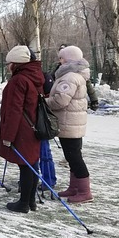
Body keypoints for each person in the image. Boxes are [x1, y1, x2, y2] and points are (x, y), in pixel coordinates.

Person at [0, 45, 44, 213]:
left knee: (26, 166)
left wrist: (8, 136)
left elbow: (14, 109)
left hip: (22, 129)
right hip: (33, 127)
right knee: (31, 164)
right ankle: (30, 201)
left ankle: (24, 203)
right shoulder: (34, 76)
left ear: (16, 63)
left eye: (9, 63)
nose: (8, 66)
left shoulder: (19, 80)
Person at [46, 45, 94, 203]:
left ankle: (84, 191)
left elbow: (61, 100)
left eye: (61, 58)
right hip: (72, 122)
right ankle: (74, 187)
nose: (59, 61)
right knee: (71, 155)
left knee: (74, 157)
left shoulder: (70, 77)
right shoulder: (73, 75)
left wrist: (43, 102)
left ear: (68, 59)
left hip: (69, 122)